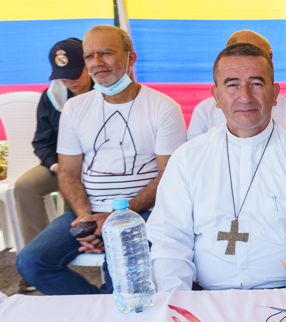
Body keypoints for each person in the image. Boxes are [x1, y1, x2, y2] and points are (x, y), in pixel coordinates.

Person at [149, 43, 286, 291]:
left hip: (284, 299)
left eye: (256, 84)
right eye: (232, 85)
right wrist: (177, 304)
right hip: (204, 297)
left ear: (274, 94)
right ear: (216, 96)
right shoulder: (188, 158)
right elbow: (170, 237)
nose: (245, 97)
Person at [16, 25, 186, 294]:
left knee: (117, 275)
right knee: (31, 263)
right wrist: (86, 220)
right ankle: (99, 309)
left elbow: (169, 175)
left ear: (131, 57)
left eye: (106, 53)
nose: (97, 63)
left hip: (141, 212)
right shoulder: (74, 108)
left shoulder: (163, 108)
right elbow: (68, 172)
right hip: (88, 210)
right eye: (89, 56)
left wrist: (116, 218)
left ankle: (109, 316)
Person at [13, 39, 93, 293]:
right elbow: (41, 141)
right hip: (62, 164)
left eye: (74, 74)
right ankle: (35, 253)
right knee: (25, 186)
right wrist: (56, 165)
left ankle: (87, 240)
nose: (69, 82)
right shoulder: (51, 97)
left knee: (84, 190)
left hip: (97, 167)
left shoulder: (109, 91)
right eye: (62, 76)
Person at [187, 30, 286, 139]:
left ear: (274, 92)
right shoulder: (204, 111)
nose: (245, 98)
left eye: (269, 56)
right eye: (250, 53)